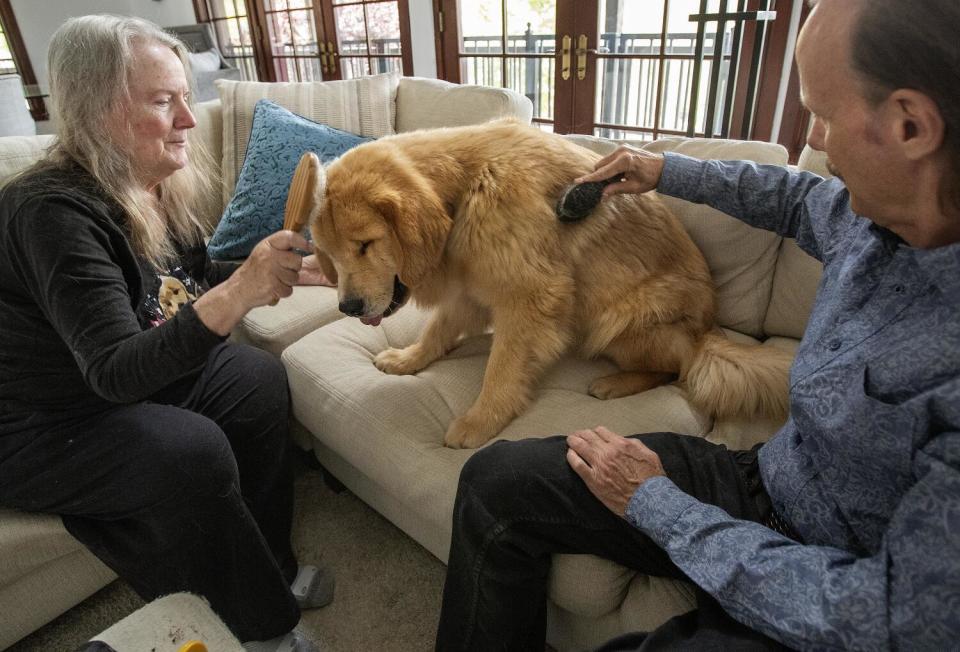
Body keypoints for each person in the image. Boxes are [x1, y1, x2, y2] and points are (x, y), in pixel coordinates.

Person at [435, 0, 960, 649]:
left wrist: (657, 504)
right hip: (767, 481)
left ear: (911, 126)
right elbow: (797, 197)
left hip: (834, 589)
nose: (815, 140)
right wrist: (663, 169)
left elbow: (885, 621)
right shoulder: (875, 215)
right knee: (495, 483)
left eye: (822, 114)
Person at [0, 15, 335, 652]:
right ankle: (264, 629)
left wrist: (298, 271)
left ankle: (270, 570)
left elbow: (193, 275)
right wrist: (241, 292)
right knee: (191, 449)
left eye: (185, 96)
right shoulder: (50, 210)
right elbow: (115, 372)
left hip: (115, 379)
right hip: (39, 417)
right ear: (97, 111)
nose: (188, 118)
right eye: (163, 101)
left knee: (257, 378)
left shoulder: (152, 181)